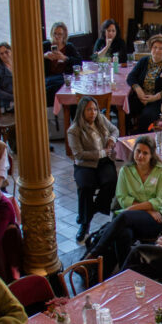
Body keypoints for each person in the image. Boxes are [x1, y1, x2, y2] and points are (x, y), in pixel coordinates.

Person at [85, 136, 162, 272]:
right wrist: (146, 209)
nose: (140, 156)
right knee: (123, 234)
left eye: (145, 153)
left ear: (152, 155)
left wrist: (132, 208)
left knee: (124, 218)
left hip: (154, 220)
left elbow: (160, 201)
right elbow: (122, 198)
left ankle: (93, 254)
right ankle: (126, 271)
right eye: (138, 151)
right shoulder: (126, 171)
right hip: (135, 217)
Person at [66, 95, 119, 242]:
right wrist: (101, 152)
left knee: (111, 181)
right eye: (89, 110)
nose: (93, 113)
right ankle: (85, 223)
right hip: (85, 164)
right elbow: (78, 154)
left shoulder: (100, 119)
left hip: (104, 162)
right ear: (82, 111)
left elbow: (115, 130)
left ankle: (92, 209)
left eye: (95, 109)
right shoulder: (74, 130)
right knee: (86, 186)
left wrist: (111, 140)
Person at [126, 34, 162, 132]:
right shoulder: (144, 61)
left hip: (159, 101)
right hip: (141, 97)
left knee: (147, 116)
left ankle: (142, 139)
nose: (157, 50)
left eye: (161, 48)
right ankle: (126, 136)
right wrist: (139, 90)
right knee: (125, 110)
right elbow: (131, 77)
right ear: (150, 48)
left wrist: (155, 97)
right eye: (155, 47)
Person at [43, 21, 82, 106]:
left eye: (60, 34)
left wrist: (65, 58)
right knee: (50, 89)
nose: (57, 37)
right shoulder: (46, 46)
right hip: (49, 78)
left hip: (64, 77)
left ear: (64, 35)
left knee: (71, 89)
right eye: (55, 34)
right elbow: (33, 58)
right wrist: (44, 56)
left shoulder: (69, 47)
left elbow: (79, 62)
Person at [0, 42, 14, 112]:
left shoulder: (18, 63)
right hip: (7, 101)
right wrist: (14, 97)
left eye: (6, 52)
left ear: (11, 51)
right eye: (1, 53)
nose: (4, 55)